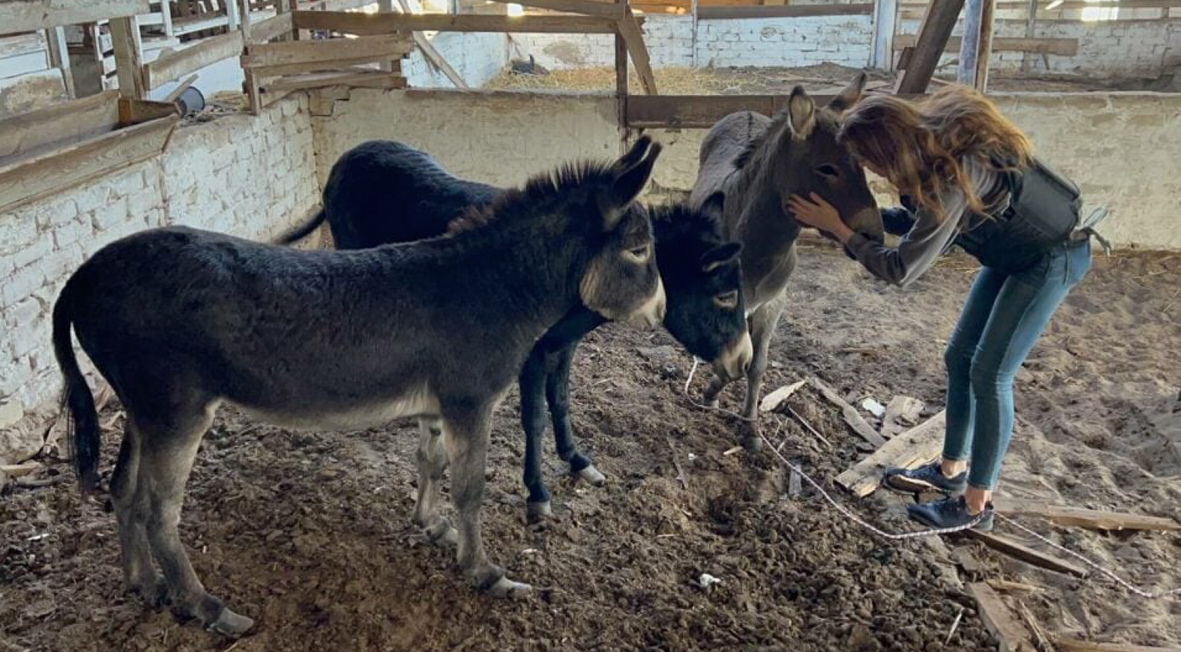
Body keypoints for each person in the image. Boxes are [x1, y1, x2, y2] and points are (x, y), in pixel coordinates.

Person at [787, 85, 1096, 531]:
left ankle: (975, 507)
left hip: (1049, 259)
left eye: (871, 162)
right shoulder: (935, 147)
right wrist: (852, 225)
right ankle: (949, 472)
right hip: (1011, 253)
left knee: (991, 374)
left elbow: (901, 270)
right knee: (959, 358)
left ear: (889, 149)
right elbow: (920, 226)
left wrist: (839, 230)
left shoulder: (953, 177)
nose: (871, 171)